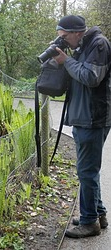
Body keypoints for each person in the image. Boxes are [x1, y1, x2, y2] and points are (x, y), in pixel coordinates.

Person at [53, 15, 111, 238]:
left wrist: (66, 61)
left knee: (86, 171)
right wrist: (63, 60)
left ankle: (89, 223)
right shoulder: (82, 46)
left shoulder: (99, 44)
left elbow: (90, 77)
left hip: (93, 118)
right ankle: (98, 214)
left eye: (65, 37)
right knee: (88, 171)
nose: (64, 41)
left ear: (77, 32)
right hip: (83, 117)